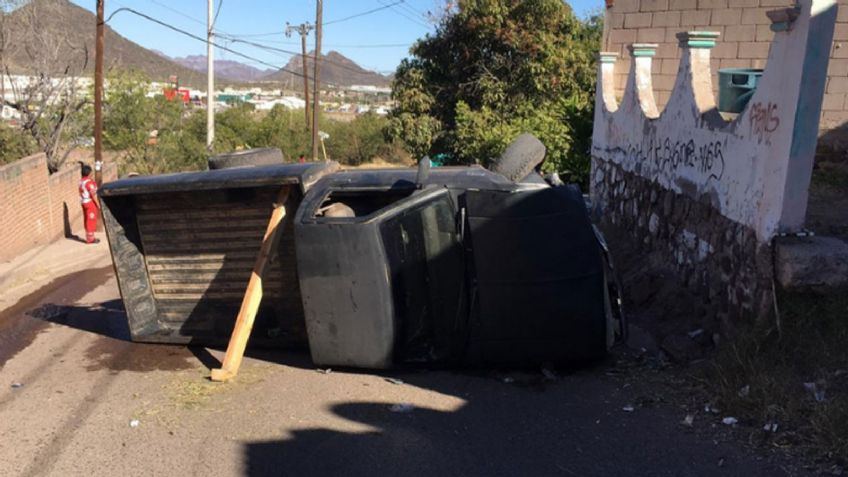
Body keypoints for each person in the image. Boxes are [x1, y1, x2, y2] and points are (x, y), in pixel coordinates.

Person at [79, 164, 100, 244]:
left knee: (86, 219)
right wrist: (98, 204)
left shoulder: (81, 181)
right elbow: (93, 194)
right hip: (89, 202)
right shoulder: (89, 182)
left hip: (83, 201)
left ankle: (89, 236)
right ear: (89, 173)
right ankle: (90, 239)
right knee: (91, 219)